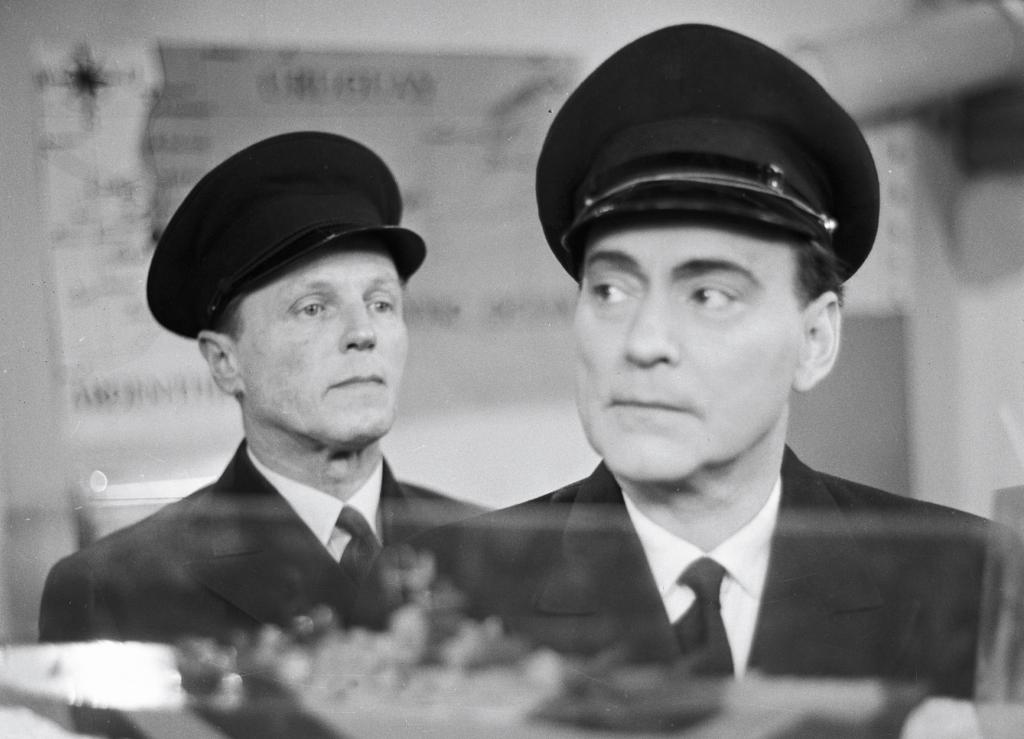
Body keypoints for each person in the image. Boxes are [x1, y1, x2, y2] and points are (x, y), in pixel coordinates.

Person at [422, 25, 990, 698]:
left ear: (815, 340)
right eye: (611, 290)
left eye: (710, 296)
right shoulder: (442, 592)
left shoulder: (974, 585)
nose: (644, 342)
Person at [39, 131, 480, 644]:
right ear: (226, 362)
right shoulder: (115, 589)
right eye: (313, 308)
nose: (363, 333)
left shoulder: (492, 551)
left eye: (381, 303)